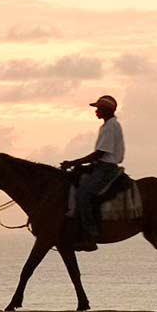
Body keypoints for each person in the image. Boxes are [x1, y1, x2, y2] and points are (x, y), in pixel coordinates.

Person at [60, 94, 125, 246]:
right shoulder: (106, 125)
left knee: (83, 194)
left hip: (106, 168)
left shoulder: (111, 126)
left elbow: (100, 153)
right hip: (100, 165)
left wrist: (74, 162)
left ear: (106, 110)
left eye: (98, 108)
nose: (96, 111)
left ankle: (91, 234)